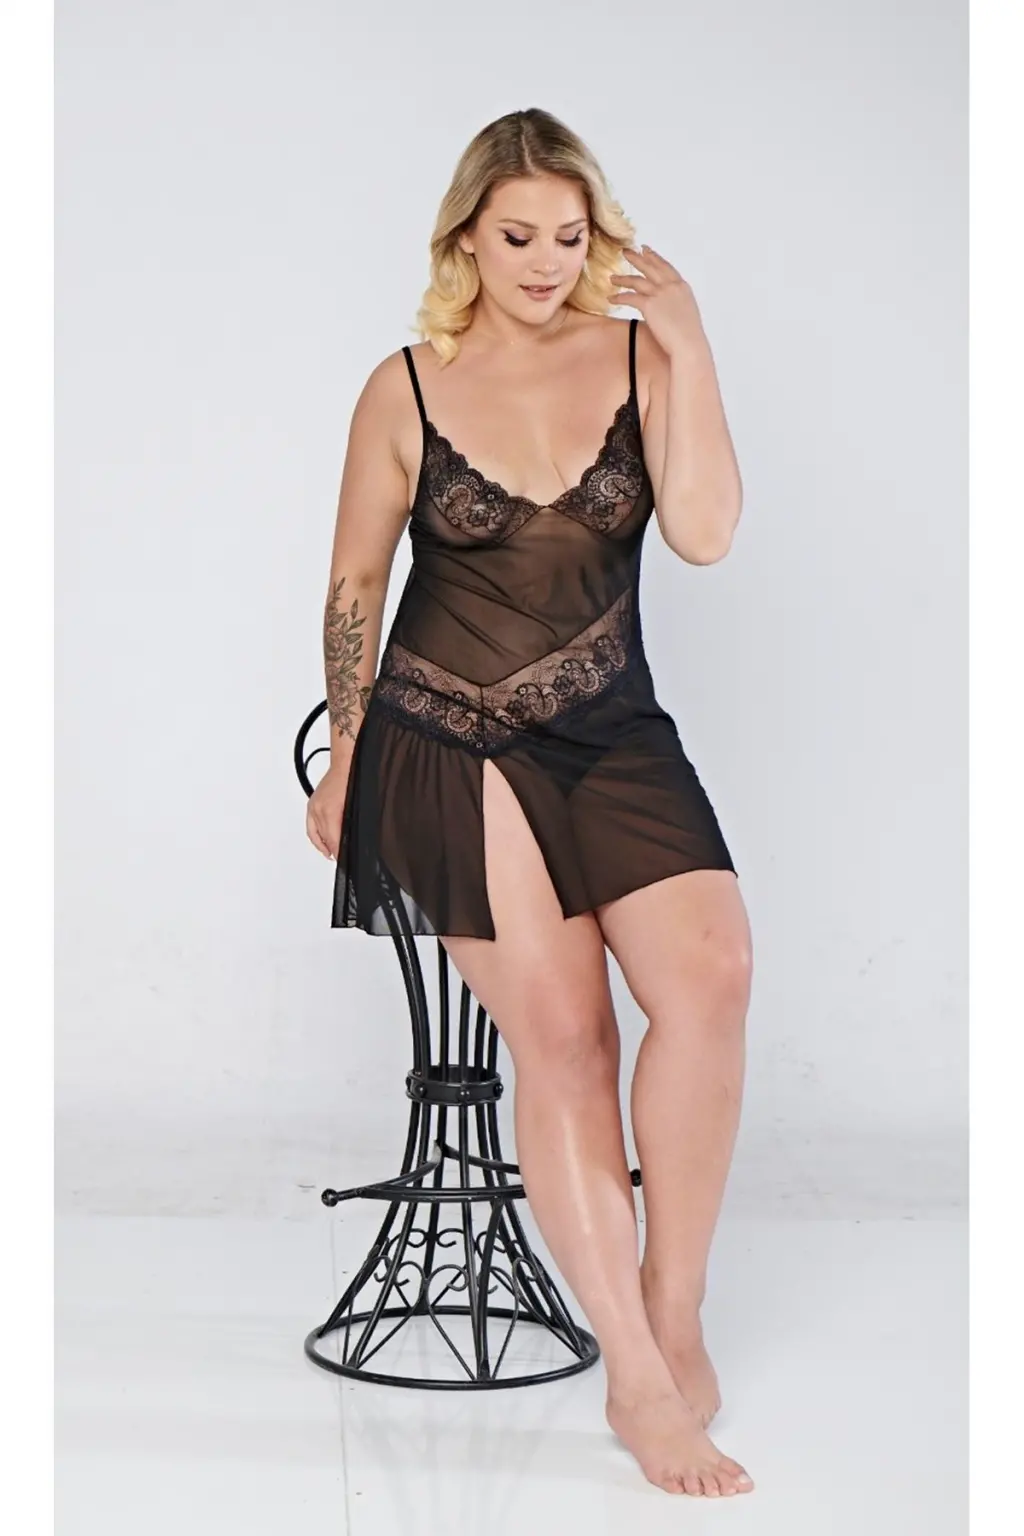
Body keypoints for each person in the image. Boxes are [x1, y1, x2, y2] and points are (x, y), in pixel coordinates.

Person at [305, 107, 754, 1499]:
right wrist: (348, 750)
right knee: (567, 1035)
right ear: (465, 239)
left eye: (569, 234)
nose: (547, 262)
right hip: (450, 738)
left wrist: (692, 344)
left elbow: (705, 533)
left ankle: (673, 1302)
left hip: (612, 732)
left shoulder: (637, 354)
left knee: (713, 977)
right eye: (518, 237)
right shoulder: (406, 386)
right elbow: (355, 583)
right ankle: (636, 1375)